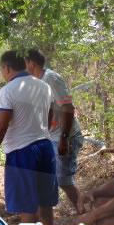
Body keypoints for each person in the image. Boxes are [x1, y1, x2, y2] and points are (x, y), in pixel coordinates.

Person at [0, 50, 55, 225]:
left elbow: (1, 125)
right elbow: (49, 116)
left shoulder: (9, 90)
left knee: (26, 202)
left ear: (6, 68)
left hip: (22, 151)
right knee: (45, 198)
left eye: (1, 70)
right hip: (45, 147)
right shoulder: (44, 86)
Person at [25, 49, 84, 209]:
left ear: (32, 63)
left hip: (66, 137)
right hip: (53, 137)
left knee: (63, 181)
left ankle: (86, 214)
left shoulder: (51, 78)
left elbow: (68, 108)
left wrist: (64, 138)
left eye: (25, 63)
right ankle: (39, 213)